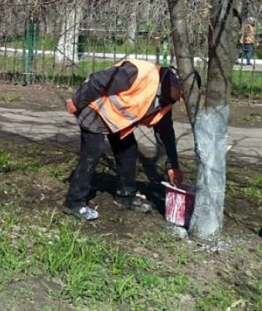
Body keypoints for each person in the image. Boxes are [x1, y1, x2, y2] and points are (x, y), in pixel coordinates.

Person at [62, 58, 188, 221]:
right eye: (183, 95)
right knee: (93, 152)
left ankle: (125, 196)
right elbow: (97, 80)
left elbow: (166, 134)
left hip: (117, 120)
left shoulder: (166, 100)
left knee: (128, 152)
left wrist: (173, 165)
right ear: (175, 83)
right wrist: (76, 101)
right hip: (95, 109)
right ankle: (74, 202)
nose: (182, 101)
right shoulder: (140, 73)